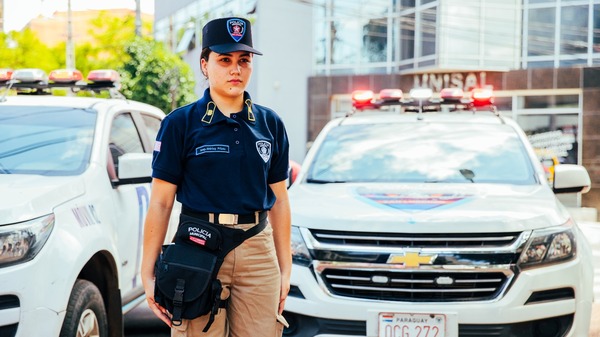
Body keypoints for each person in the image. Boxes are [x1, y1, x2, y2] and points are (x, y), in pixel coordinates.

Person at [140, 16, 292, 337]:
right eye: (225, 60)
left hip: (257, 248)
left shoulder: (270, 123)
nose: (235, 69)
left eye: (243, 60)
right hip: (197, 245)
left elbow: (279, 201)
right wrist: (147, 270)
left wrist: (284, 267)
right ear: (205, 64)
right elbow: (161, 203)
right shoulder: (180, 123)